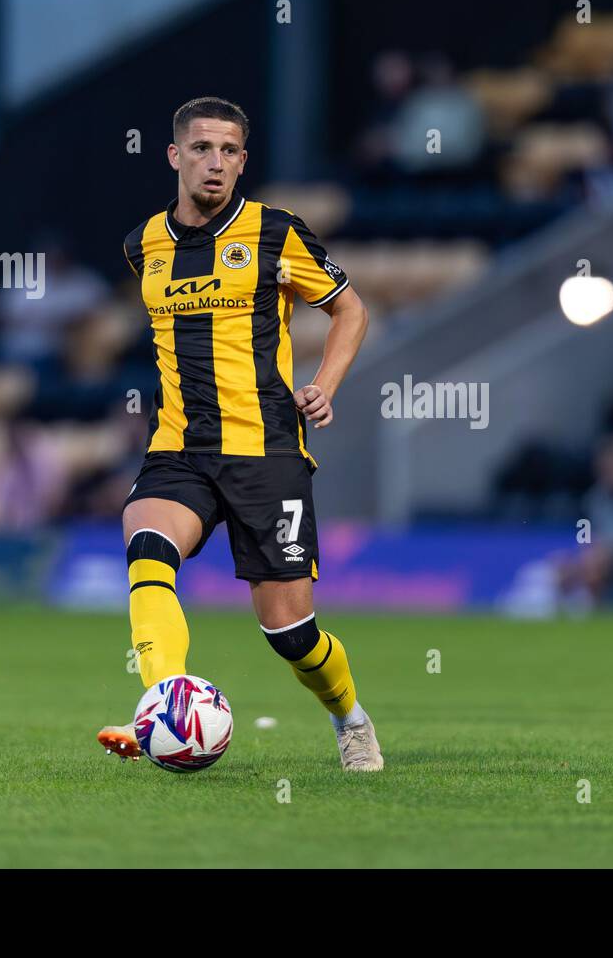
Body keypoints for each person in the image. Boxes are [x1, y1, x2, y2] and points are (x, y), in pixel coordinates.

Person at [97, 97, 380, 769]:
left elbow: (350, 309)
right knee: (147, 548)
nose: (215, 163)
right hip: (180, 449)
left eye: (228, 151)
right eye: (201, 148)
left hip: (267, 451)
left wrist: (325, 386)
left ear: (243, 161)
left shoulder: (276, 233)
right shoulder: (145, 245)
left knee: (291, 633)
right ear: (175, 156)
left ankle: (350, 716)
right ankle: (164, 707)